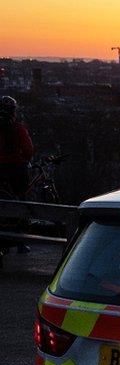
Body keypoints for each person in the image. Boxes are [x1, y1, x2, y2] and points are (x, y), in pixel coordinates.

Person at [0, 95, 35, 255]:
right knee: (21, 203)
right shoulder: (18, 128)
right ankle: (20, 242)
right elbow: (28, 150)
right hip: (16, 169)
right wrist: (24, 159)